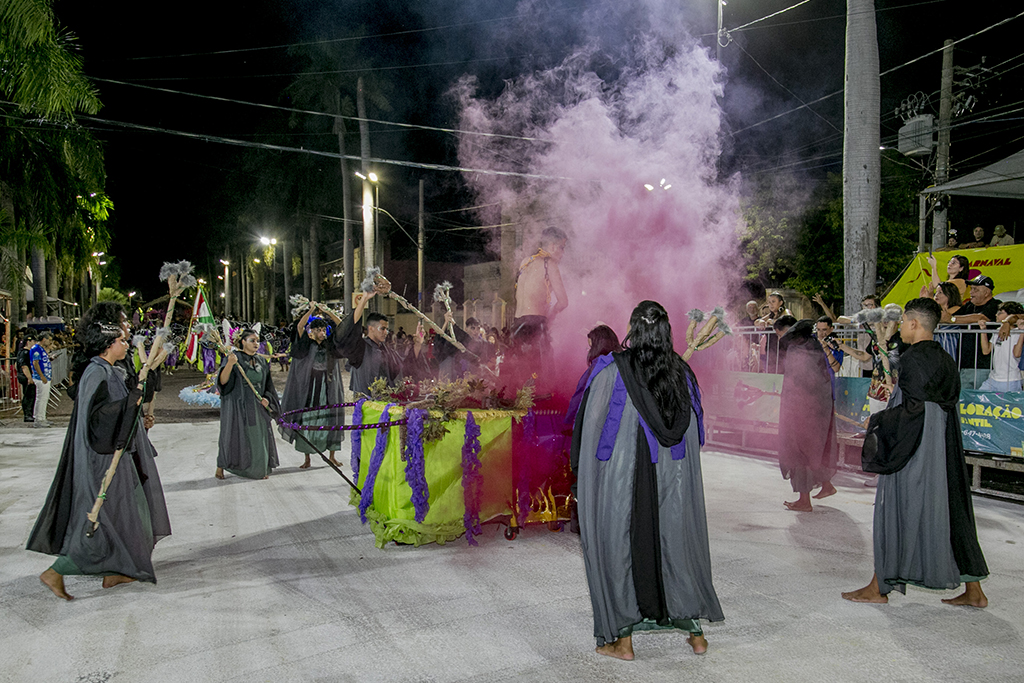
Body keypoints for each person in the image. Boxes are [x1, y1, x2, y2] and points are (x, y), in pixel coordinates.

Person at [571, 301, 723, 660]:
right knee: (674, 545)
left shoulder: (612, 371)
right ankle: (696, 634)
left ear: (633, 330)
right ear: (666, 331)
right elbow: (694, 437)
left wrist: (586, 483)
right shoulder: (681, 373)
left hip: (626, 488)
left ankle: (623, 642)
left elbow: (588, 432)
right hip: (669, 487)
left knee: (623, 547)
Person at [842, 298, 989, 607]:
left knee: (894, 509)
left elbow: (914, 410)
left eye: (905, 321)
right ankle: (975, 591)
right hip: (944, 451)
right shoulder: (946, 359)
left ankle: (878, 587)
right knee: (951, 512)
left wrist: (877, 420)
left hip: (916, 450)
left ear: (913, 323)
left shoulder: (912, 359)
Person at [27, 320, 171, 600]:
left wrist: (138, 399)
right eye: (121, 340)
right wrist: (130, 402)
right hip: (102, 459)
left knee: (130, 513)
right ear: (108, 346)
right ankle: (57, 570)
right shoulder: (96, 372)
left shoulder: (109, 370)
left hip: (115, 455)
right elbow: (99, 419)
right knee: (106, 517)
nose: (126, 344)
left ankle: (114, 571)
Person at [774, 316, 838, 511]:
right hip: (820, 407)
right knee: (816, 447)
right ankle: (826, 485)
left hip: (803, 410)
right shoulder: (814, 345)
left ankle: (804, 500)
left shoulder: (797, 349)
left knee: (799, 451)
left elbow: (796, 383)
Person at [278, 303, 347, 469]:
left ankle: (332, 456)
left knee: (331, 418)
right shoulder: (305, 344)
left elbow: (342, 326)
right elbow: (300, 325)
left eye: (323, 330)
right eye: (318, 330)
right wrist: (310, 310)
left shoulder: (330, 344)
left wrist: (327, 311)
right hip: (310, 388)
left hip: (328, 387)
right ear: (311, 332)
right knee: (307, 420)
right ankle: (307, 457)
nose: (321, 333)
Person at [215, 328, 281, 480]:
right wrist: (230, 364)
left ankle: (259, 469)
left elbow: (268, 385)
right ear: (243, 342)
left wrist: (268, 399)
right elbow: (223, 382)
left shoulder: (262, 361)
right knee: (234, 436)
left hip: (258, 405)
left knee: (258, 436)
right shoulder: (234, 358)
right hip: (239, 405)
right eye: (252, 341)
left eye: (257, 341)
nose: (256, 344)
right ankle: (222, 466)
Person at [511, 227, 569, 358]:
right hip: (535, 327)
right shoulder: (550, 265)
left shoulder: (525, 262)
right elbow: (563, 302)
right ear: (552, 246)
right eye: (562, 247)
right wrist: (550, 318)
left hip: (517, 327)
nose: (563, 252)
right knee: (540, 375)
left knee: (519, 374)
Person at [336, 290, 404, 397]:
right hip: (365, 406)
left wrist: (418, 343)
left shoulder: (386, 349)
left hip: (385, 404)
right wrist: (364, 299)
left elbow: (403, 367)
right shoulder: (360, 347)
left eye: (387, 329)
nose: (386, 332)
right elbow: (351, 328)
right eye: (382, 329)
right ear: (371, 328)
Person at [947, 275, 1001, 390]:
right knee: (964, 401)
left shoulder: (995, 305)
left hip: (982, 365)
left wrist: (953, 319)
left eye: (975, 289)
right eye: (971, 289)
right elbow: (952, 317)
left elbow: (980, 317)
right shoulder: (969, 305)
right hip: (964, 364)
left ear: (987, 292)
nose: (971, 292)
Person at [977, 302, 1024, 392]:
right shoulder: (997, 331)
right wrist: (983, 330)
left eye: (1000, 313)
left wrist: (1022, 332)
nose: (996, 315)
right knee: (979, 399)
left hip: (1010, 379)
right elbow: (986, 350)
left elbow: (1017, 354)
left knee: (1008, 405)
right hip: (994, 377)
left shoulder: (1017, 332)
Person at [754, 292, 791, 372]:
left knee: (782, 371)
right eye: (769, 302)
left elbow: (789, 321)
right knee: (770, 372)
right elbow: (756, 322)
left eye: (773, 301)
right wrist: (761, 321)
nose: (771, 304)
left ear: (780, 302)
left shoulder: (786, 312)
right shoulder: (771, 315)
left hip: (782, 348)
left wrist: (774, 321)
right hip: (770, 349)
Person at [932, 281, 963, 360]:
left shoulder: (959, 310)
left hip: (950, 349)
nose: (936, 295)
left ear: (950, 294)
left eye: (940, 292)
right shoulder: (936, 311)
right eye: (936, 292)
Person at [30, 331, 55, 427]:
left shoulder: (42, 349)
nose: (50, 342)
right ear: (44, 339)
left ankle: (42, 417)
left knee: (44, 398)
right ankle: (38, 418)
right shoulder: (36, 349)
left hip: (45, 376)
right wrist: (41, 376)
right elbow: (36, 363)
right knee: (41, 398)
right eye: (49, 340)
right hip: (40, 378)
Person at [16, 329, 37, 422]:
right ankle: (27, 414)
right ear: (28, 342)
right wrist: (29, 378)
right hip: (26, 376)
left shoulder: (28, 352)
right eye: (33, 341)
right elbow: (24, 366)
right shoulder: (25, 352)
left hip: (28, 375)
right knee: (28, 395)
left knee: (31, 395)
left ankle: (30, 413)